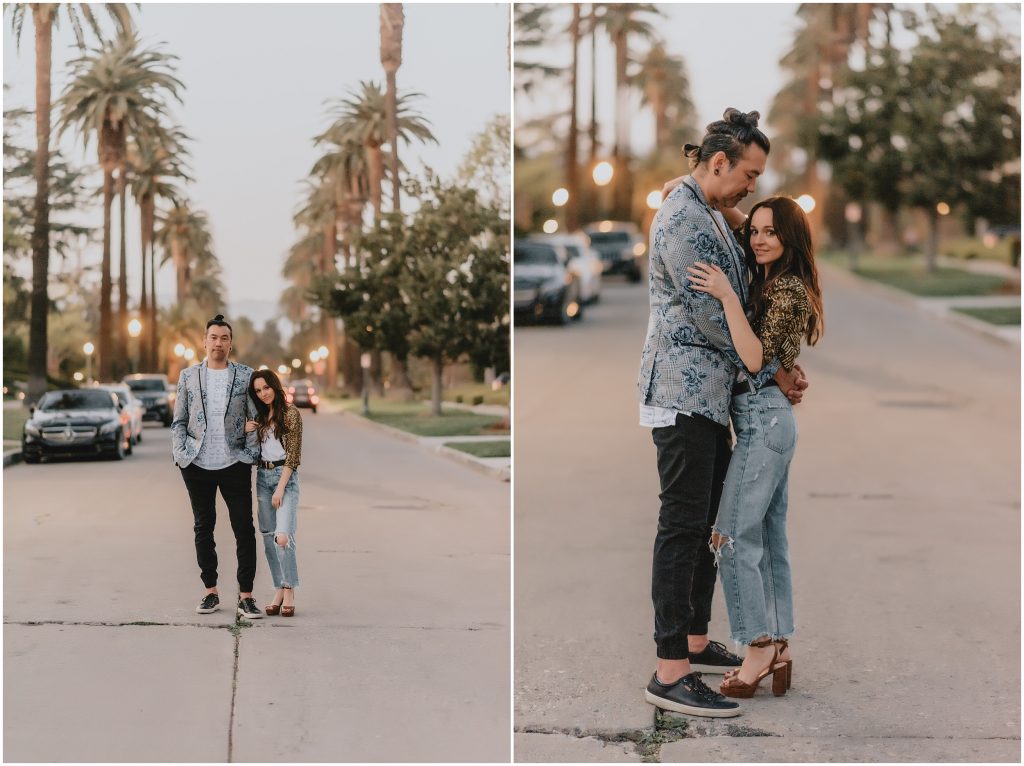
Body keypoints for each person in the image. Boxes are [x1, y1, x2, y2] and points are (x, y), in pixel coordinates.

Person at [637, 108, 808, 718]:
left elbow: (740, 226)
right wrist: (774, 369)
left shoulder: (705, 206)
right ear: (718, 163)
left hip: (711, 399)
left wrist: (776, 364)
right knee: (683, 526)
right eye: (749, 175)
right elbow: (716, 321)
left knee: (706, 519)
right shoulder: (684, 220)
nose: (752, 187)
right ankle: (670, 671)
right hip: (682, 395)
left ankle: (694, 640)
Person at [686, 196, 824, 698]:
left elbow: (753, 358)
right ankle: (778, 641)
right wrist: (709, 191)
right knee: (766, 537)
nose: (759, 239)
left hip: (764, 420)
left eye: (772, 232)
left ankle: (758, 645)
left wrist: (725, 294)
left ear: (790, 239)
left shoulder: (786, 289)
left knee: (729, 537)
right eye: (756, 231)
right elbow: (743, 224)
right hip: (766, 419)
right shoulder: (772, 276)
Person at [171, 314, 264, 621]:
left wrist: (250, 452)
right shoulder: (188, 376)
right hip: (197, 464)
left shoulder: (245, 375)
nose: (218, 343)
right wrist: (180, 454)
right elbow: (179, 420)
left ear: (230, 343)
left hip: (234, 462)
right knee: (203, 526)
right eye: (213, 337)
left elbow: (256, 417)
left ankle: (246, 596)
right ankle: (210, 591)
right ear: (204, 341)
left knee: (244, 528)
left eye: (224, 338)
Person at [246, 370, 303, 617]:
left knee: (282, 537)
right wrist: (245, 429)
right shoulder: (259, 416)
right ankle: (278, 588)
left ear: (275, 386)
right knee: (268, 538)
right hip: (262, 477)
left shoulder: (291, 414)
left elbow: (293, 456)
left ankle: (289, 589)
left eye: (266, 388)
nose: (263, 393)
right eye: (258, 391)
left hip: (284, 479)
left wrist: (280, 488)